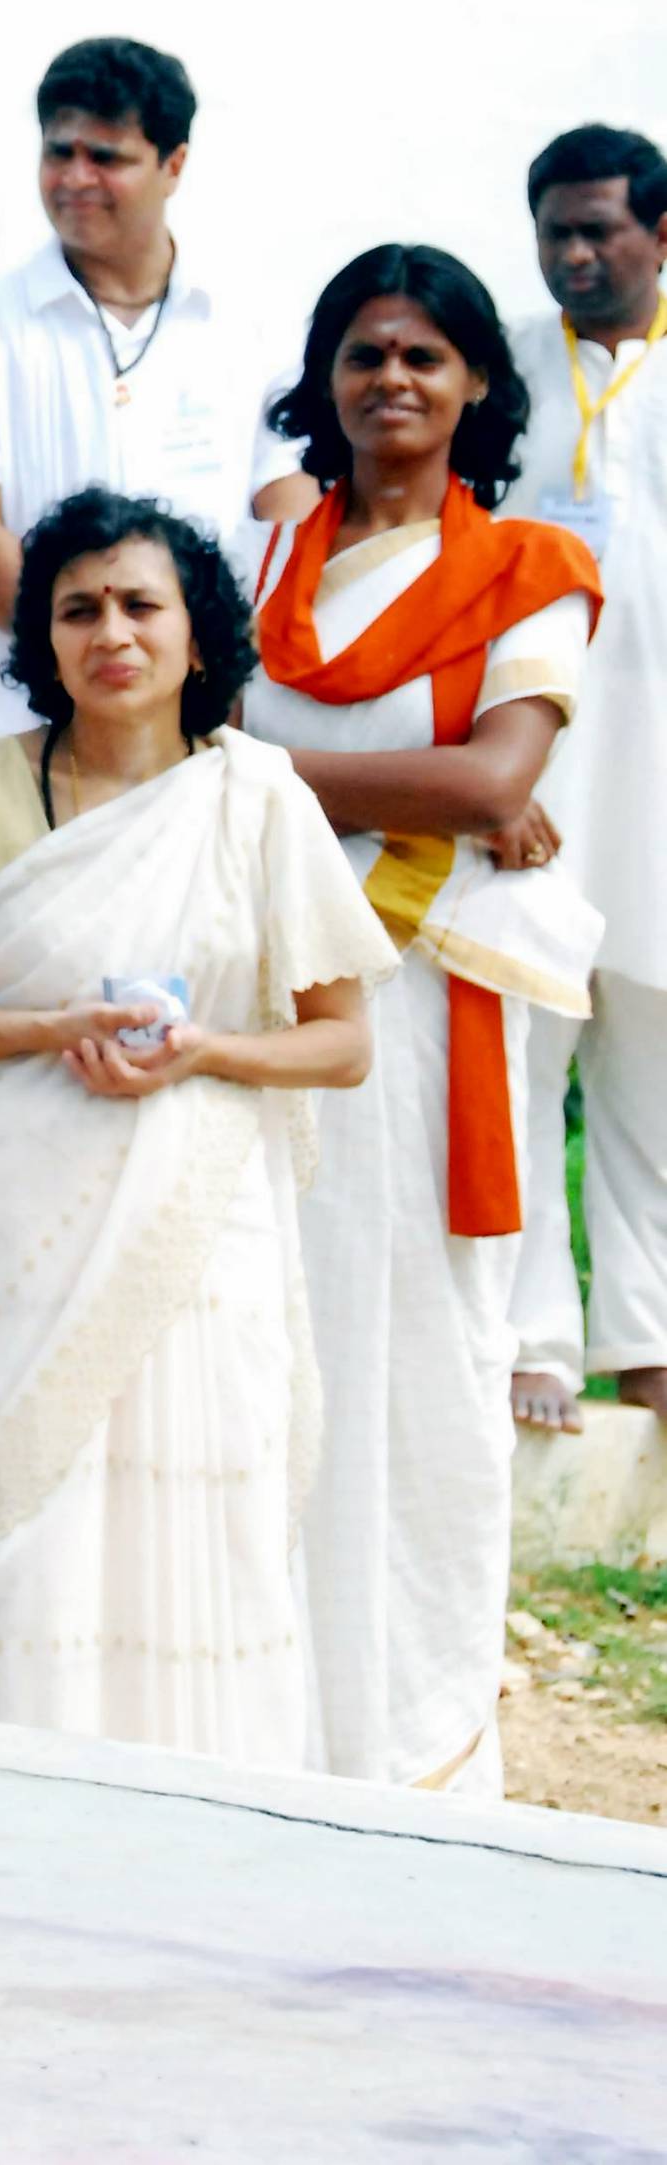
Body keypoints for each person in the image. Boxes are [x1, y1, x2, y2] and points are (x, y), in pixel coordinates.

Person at [0, 490, 389, 1766]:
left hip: (202, 1211)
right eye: (77, 608)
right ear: (41, 638)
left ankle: (211, 1797)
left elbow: (342, 1042)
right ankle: (13, 1791)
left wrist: (203, 1051)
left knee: (204, 1499)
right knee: (28, 1510)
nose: (111, 632)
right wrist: (45, 1027)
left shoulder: (257, 797)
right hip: (22, 1208)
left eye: (140, 604)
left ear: (196, 634)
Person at [244, 248, 603, 1796]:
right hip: (268, 998)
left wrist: (248, 772)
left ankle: (419, 1747)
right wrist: (409, 789)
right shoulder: (264, 558)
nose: (391, 378)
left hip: (428, 1007)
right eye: (364, 352)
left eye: (424, 356)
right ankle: (271, 1726)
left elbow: (493, 779)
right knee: (274, 1338)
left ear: (476, 387)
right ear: (325, 377)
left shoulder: (531, 567)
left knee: (425, 1358)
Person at [0, 37, 313, 754]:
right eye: (59, 152)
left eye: (105, 157)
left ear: (174, 165)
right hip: (13, 732)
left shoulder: (251, 322)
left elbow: (289, 515)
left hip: (198, 734)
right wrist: (96, 671)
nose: (75, 178)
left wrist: (191, 675)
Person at [504, 125, 667, 1434]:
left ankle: (650, 1341)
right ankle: (532, 1344)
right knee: (516, 1056)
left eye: (596, 230)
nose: (570, 254)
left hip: (657, 775)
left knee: (653, 1069)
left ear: (660, 234)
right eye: (553, 230)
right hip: (531, 778)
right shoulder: (499, 369)